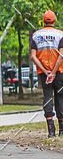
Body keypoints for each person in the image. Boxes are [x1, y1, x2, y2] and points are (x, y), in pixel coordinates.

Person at [30, 10, 63, 138]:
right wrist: (54, 72)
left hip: (44, 74)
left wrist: (46, 72)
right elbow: (61, 55)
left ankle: (51, 130)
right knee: (60, 97)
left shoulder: (35, 35)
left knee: (47, 97)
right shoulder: (60, 34)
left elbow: (33, 56)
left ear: (44, 21)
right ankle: (61, 129)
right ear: (54, 21)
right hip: (59, 72)